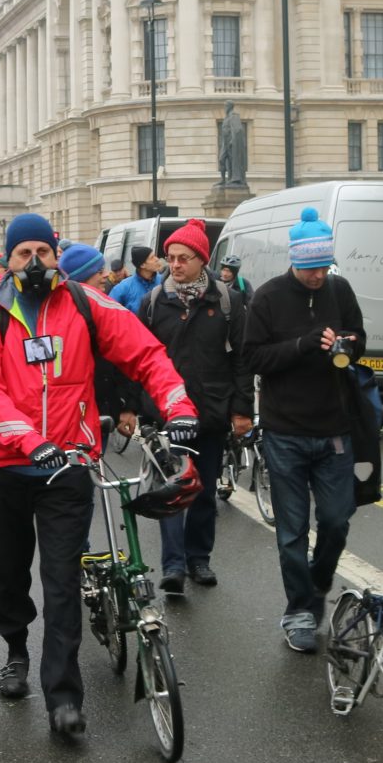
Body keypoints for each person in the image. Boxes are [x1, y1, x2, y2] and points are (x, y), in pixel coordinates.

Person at [0, 213, 198, 739]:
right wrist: (31, 441)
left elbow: (146, 353)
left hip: (67, 466)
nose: (33, 263)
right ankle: (15, 648)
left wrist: (178, 404)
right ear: (7, 259)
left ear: (56, 255)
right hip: (2, 464)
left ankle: (64, 698)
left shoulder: (87, 304)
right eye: (23, 254)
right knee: (5, 577)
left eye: (42, 253)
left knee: (62, 582)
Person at [239, 207, 366, 653]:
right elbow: (253, 358)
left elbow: (359, 338)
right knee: (291, 530)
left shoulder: (339, 288)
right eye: (310, 267)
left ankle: (318, 583)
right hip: (284, 431)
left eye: (323, 266)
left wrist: (348, 344)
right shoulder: (269, 298)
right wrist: (303, 344)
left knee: (335, 521)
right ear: (295, 259)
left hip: (334, 428)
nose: (317, 275)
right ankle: (300, 611)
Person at [121, 219, 250, 593]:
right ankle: (173, 565)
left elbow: (242, 359)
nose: (174, 265)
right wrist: (133, 405)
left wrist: (242, 410)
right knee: (172, 488)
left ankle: (199, 559)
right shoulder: (154, 301)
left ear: (202, 261)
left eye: (183, 258)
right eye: (171, 258)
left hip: (210, 411)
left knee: (205, 491)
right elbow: (136, 355)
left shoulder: (227, 301)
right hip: (165, 413)